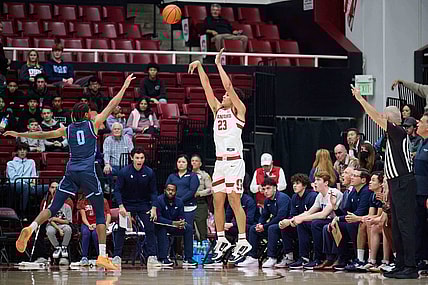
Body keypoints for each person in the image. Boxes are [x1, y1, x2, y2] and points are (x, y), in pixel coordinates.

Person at [5, 73, 135, 271]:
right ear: (85, 115)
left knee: (54, 205)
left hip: (71, 171)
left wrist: (19, 133)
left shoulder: (66, 129)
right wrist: (124, 87)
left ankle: (31, 227)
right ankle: (102, 255)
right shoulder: (94, 124)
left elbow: (41, 134)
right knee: (100, 213)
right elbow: (112, 104)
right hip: (87, 172)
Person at [188, 49, 252, 263]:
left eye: (226, 96)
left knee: (234, 200)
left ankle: (243, 240)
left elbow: (228, 87)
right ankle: (222, 239)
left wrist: (218, 64)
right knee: (217, 201)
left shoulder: (239, 111)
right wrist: (199, 66)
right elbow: (207, 87)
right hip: (220, 163)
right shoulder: (217, 110)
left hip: (235, 163)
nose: (223, 96)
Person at [351, 86, 418, 279]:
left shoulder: (398, 132)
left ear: (389, 120)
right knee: (395, 224)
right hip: (396, 183)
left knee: (405, 225)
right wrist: (387, 185)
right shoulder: (391, 138)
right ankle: (400, 263)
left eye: (384, 117)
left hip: (405, 183)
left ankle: (411, 266)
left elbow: (376, 117)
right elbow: (390, 166)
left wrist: (361, 100)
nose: (381, 118)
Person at [113, 147, 161, 267]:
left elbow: (154, 192)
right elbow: (117, 190)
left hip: (143, 204)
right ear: (132, 158)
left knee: (150, 227)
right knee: (121, 228)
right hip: (127, 205)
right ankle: (117, 257)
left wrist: (154, 207)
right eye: (137, 158)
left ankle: (152, 257)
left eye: (142, 158)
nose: (139, 160)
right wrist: (121, 206)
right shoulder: (124, 172)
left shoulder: (149, 172)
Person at [288, 171, 343, 269]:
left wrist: (301, 218)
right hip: (328, 221)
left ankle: (319, 258)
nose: (315, 183)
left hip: (338, 220)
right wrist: (293, 220)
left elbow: (323, 214)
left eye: (318, 180)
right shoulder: (320, 195)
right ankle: (304, 258)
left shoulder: (333, 193)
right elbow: (309, 212)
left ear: (326, 183)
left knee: (316, 224)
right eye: (314, 180)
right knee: (303, 224)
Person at [236, 177, 291, 267]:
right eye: (264, 189)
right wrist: (260, 224)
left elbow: (281, 217)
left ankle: (272, 257)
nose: (265, 191)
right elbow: (264, 215)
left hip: (287, 224)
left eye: (268, 188)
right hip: (276, 224)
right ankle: (253, 257)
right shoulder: (267, 201)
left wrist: (264, 226)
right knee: (253, 228)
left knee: (271, 228)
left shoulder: (282, 198)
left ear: (275, 188)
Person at [327, 168, 371, 271]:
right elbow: (346, 213)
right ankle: (343, 258)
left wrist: (338, 218)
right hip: (354, 221)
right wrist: (335, 207)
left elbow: (358, 213)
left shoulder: (366, 191)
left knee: (350, 224)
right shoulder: (353, 192)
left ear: (363, 180)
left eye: (355, 176)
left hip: (363, 221)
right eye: (352, 175)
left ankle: (359, 258)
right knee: (334, 226)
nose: (352, 177)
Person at [275, 173, 317, 268]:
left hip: (310, 223)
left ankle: (304, 258)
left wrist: (292, 221)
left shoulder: (312, 196)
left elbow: (312, 214)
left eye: (297, 183)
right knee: (284, 226)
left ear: (305, 185)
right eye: (293, 183)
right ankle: (289, 257)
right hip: (296, 222)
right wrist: (288, 221)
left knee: (302, 225)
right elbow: (292, 214)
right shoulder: (294, 197)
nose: (294, 185)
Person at [155, 183, 198, 266]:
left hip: (174, 226)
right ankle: (163, 258)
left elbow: (181, 216)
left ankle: (188, 258)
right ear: (164, 191)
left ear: (176, 192)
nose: (170, 192)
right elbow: (158, 218)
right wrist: (172, 223)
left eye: (173, 190)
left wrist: (181, 222)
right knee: (162, 229)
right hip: (162, 225)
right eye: (168, 190)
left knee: (188, 228)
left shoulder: (179, 201)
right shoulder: (159, 200)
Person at [165, 155, 200, 229]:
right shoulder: (172, 176)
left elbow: (192, 191)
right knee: (173, 228)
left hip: (188, 207)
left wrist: (180, 200)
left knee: (187, 228)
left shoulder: (192, 176)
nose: (181, 164)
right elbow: (167, 189)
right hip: (173, 206)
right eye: (179, 162)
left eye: (183, 162)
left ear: (187, 164)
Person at [6, 143, 40, 212]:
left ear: (27, 151)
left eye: (24, 150)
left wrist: (33, 181)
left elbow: (33, 176)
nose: (22, 151)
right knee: (25, 186)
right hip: (14, 185)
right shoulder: (10, 163)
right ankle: (22, 212)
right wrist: (28, 182)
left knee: (49, 187)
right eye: (20, 150)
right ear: (16, 152)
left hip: (29, 186)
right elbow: (14, 178)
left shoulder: (31, 162)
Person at [78, 196, 111, 266]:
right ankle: (84, 257)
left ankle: (100, 256)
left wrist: (105, 224)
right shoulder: (82, 202)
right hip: (86, 223)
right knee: (86, 233)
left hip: (99, 223)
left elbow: (108, 214)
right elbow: (83, 217)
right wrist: (89, 225)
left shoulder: (103, 200)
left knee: (95, 234)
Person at [414, 112, 428, 269]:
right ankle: (421, 259)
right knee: (419, 227)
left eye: (421, 122)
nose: (418, 124)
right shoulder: (421, 143)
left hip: (426, 194)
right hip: (417, 193)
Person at [46, 193, 73, 265]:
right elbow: (51, 221)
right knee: (49, 231)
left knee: (68, 229)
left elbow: (68, 221)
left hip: (64, 224)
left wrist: (56, 219)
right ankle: (57, 247)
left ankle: (64, 246)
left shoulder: (67, 207)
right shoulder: (50, 207)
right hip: (53, 225)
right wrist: (59, 229)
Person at [191, 154, 213, 242]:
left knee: (201, 228)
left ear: (200, 163)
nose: (194, 162)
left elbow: (210, 190)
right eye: (192, 161)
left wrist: (199, 193)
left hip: (200, 203)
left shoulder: (205, 175)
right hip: (188, 202)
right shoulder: (187, 174)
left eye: (196, 161)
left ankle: (203, 248)